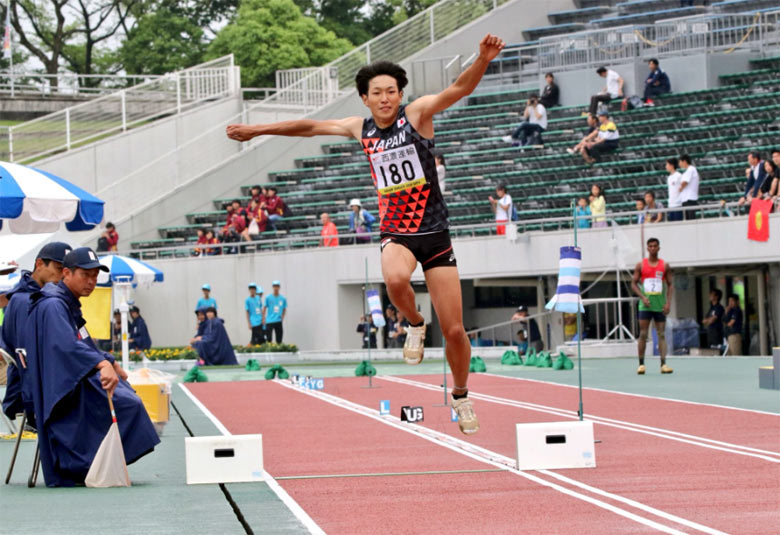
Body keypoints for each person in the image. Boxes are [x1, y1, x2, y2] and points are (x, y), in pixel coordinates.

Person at [225, 34, 509, 435]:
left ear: (400, 94)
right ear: (365, 98)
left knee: (455, 331)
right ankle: (413, 322)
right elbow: (308, 127)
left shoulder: (417, 115)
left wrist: (482, 59)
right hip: (397, 231)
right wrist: (257, 130)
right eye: (377, 93)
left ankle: (461, 395)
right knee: (394, 280)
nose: (385, 99)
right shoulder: (359, 129)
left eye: (392, 91)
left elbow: (458, 89)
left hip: (435, 233)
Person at [23, 247, 159, 486]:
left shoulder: (65, 302)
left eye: (95, 276)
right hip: (60, 388)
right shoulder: (54, 305)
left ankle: (99, 463)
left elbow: (82, 342)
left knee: (127, 394)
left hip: (68, 378)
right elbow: (66, 347)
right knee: (129, 404)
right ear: (66, 273)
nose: (91, 281)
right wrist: (100, 363)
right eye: (85, 275)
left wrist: (109, 361)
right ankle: (88, 465)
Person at [1, 242, 71, 423]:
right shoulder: (27, 301)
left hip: (37, 384)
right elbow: (30, 356)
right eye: (58, 267)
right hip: (34, 391)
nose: (61, 274)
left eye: (65, 269)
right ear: (39, 264)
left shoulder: (34, 298)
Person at [631, 238, 674, 375]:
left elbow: (670, 284)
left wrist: (668, 303)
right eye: (650, 246)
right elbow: (633, 283)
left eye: (655, 246)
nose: (653, 248)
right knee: (643, 334)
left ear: (659, 248)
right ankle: (641, 364)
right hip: (645, 305)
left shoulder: (664, 265)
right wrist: (642, 297)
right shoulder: (641, 265)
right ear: (647, 248)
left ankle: (663, 364)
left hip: (659, 306)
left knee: (661, 334)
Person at [678, 154, 700, 220]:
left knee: (691, 219)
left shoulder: (691, 169)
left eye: (680, 162)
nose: (679, 164)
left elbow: (685, 182)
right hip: (686, 199)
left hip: (689, 199)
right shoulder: (688, 171)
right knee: (687, 219)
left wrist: (680, 188)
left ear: (684, 161)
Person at [666, 158, 683, 222]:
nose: (666, 167)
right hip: (671, 205)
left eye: (667, 165)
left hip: (678, 205)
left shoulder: (679, 176)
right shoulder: (669, 177)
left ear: (672, 165)